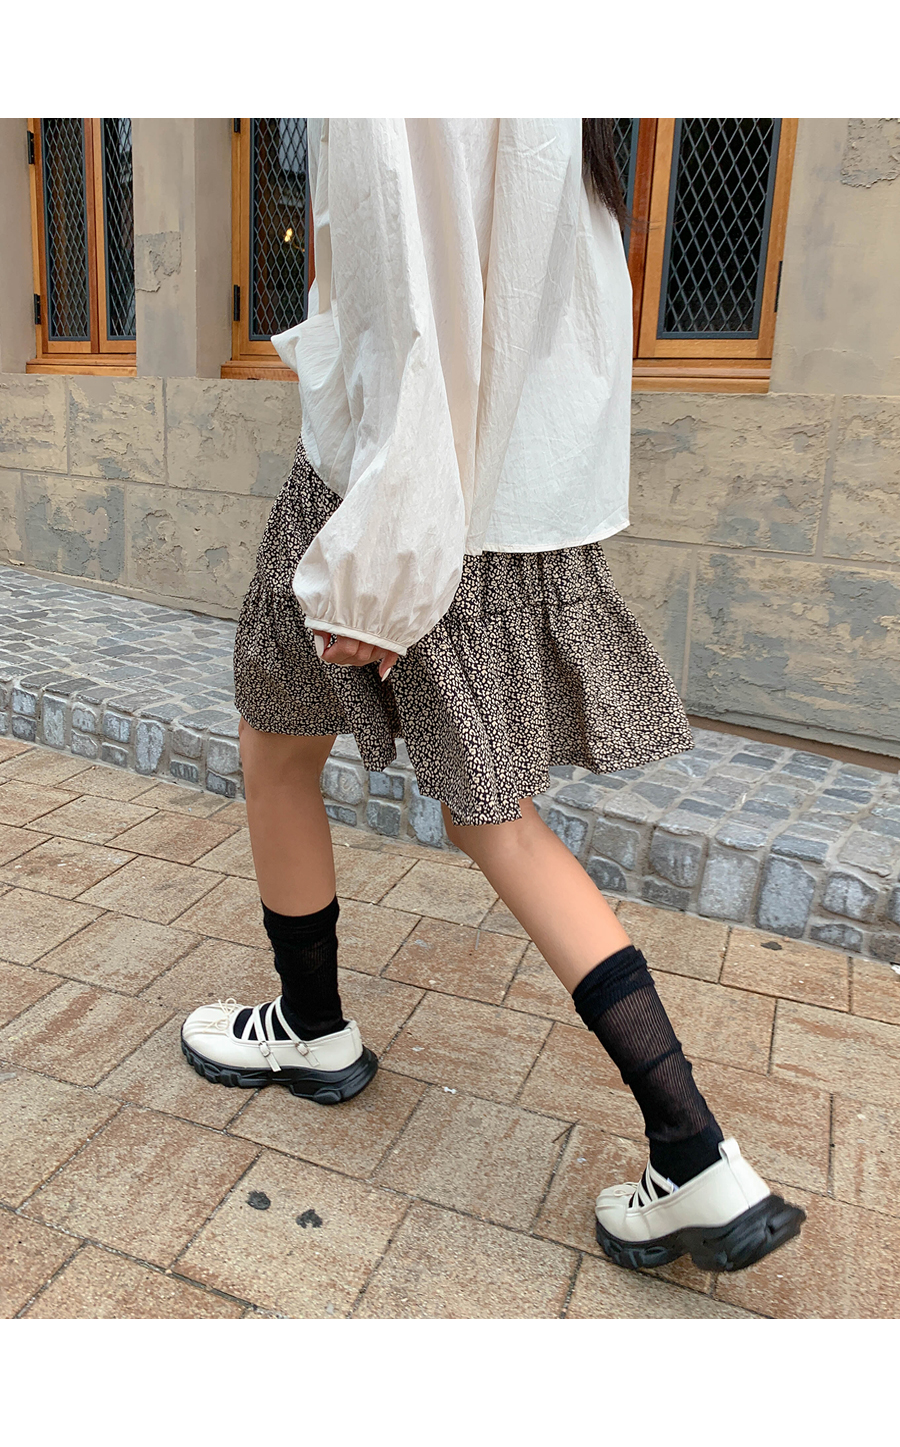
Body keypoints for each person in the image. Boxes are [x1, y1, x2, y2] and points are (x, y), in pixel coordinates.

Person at [181, 118, 805, 1276]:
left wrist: (387, 558)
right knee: (495, 817)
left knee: (280, 748)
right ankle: (696, 1152)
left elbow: (410, 309)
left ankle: (314, 1028)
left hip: (399, 493)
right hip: (506, 494)